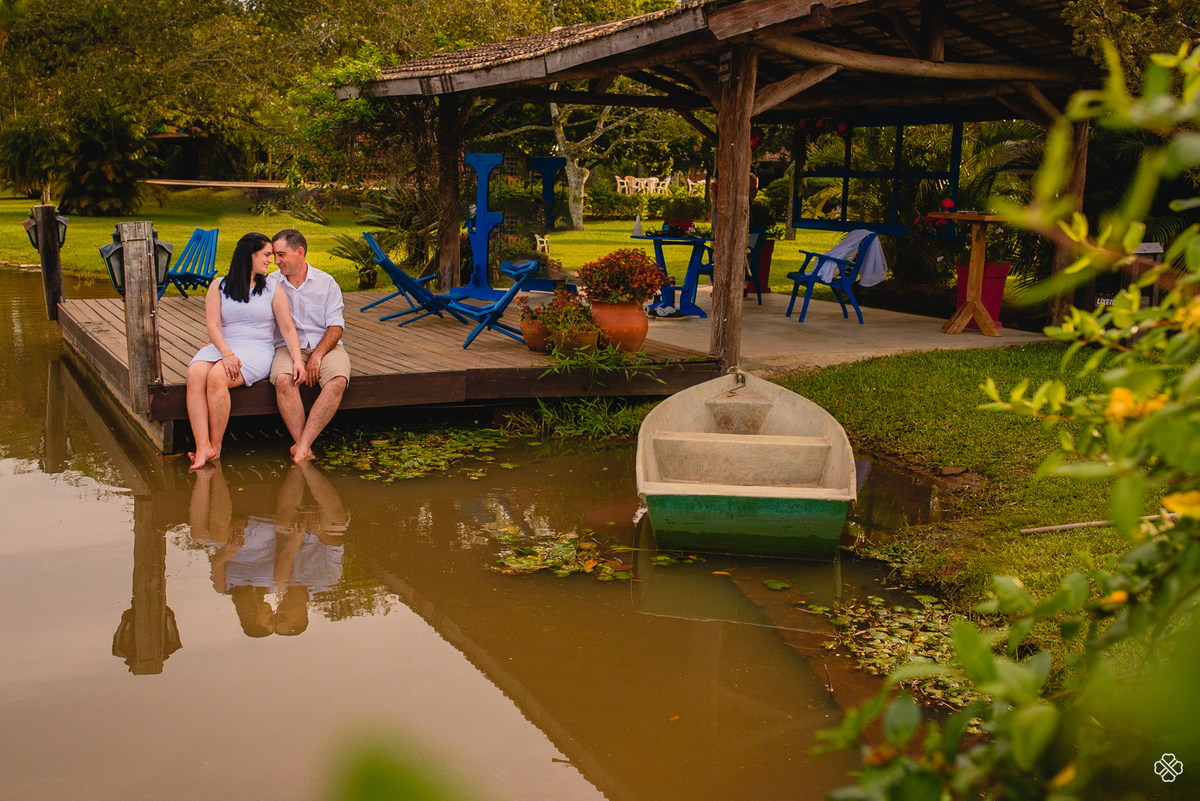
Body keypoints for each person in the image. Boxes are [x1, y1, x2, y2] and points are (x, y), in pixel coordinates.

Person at [186, 233, 306, 470]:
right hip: (225, 345)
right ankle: (203, 446)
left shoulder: (272, 287)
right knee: (196, 373)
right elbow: (213, 326)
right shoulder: (218, 285)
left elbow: (287, 328)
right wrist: (226, 352)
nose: (271, 260)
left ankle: (216, 447)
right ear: (249, 255)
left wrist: (297, 359)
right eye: (266, 255)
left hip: (257, 349)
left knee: (218, 377)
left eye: (272, 255)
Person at [269, 228, 351, 463]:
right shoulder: (271, 283)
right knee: (283, 380)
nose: (276, 261)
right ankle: (303, 446)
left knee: (337, 382)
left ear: (300, 252)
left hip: (326, 347)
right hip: (286, 347)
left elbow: (336, 326)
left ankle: (302, 446)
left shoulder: (326, 283)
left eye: (281, 254)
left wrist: (317, 356)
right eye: (274, 255)